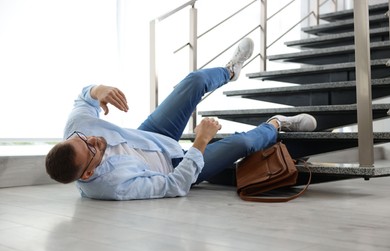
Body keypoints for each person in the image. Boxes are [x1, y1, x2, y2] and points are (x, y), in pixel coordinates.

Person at [45, 38, 317, 200]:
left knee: (194, 81)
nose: (92, 139)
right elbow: (175, 186)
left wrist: (96, 90)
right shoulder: (113, 187)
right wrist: (200, 142)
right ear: (89, 172)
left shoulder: (77, 129)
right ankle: (278, 123)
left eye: (83, 138)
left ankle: (230, 71)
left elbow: (83, 100)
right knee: (240, 145)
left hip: (150, 134)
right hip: (177, 164)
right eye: (91, 148)